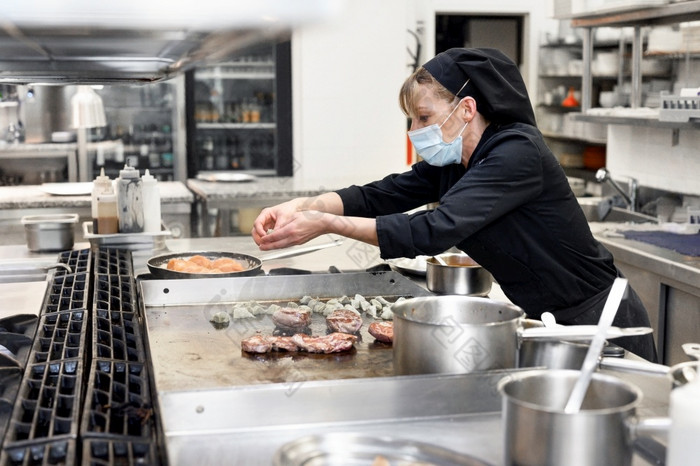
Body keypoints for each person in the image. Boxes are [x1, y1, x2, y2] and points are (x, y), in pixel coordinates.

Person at [252, 47, 658, 362]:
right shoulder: (455, 162)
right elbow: (383, 193)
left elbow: (433, 230)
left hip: (600, 321)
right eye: (411, 120)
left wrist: (325, 223)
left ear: (466, 109)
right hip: (549, 320)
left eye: (423, 117)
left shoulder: (516, 152)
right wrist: (304, 204)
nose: (415, 132)